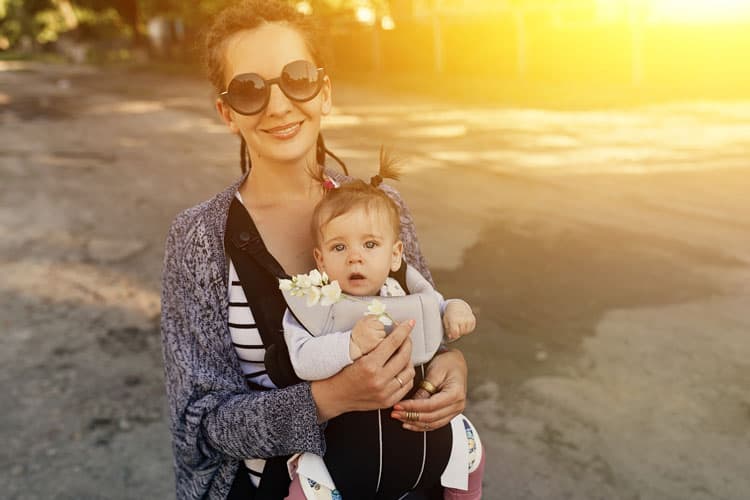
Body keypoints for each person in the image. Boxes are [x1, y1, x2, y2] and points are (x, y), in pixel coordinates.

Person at [159, 1, 472, 498]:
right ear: (226, 112)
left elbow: (424, 319)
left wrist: (449, 368)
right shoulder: (198, 237)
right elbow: (196, 431)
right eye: (249, 90)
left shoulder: (382, 204)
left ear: (325, 92)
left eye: (297, 77)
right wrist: (327, 400)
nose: (279, 105)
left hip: (402, 480)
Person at [279, 157, 485, 500]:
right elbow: (302, 359)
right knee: (306, 488)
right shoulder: (315, 306)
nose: (354, 257)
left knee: (470, 451)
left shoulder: (405, 293)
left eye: (370, 245)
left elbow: (438, 312)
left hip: (414, 436)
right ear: (320, 260)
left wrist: (455, 309)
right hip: (344, 452)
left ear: (395, 255)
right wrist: (350, 344)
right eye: (339, 247)